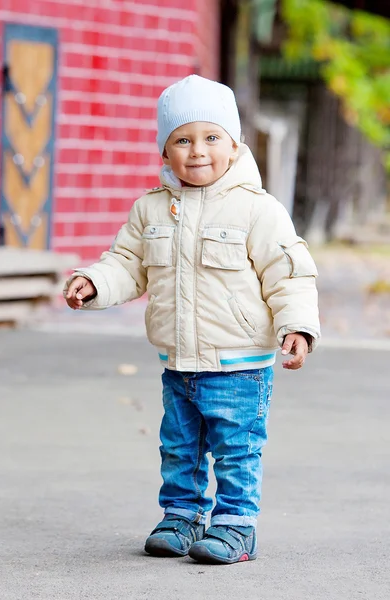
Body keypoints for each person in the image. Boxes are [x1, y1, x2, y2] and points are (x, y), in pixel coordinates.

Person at [64, 75, 320, 565]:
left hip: (239, 364)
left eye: (211, 138)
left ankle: (235, 526)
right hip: (178, 362)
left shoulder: (257, 210)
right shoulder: (151, 209)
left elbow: (289, 275)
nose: (197, 151)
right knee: (179, 448)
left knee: (236, 450)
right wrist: (95, 282)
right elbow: (126, 263)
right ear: (165, 151)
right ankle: (181, 517)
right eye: (182, 139)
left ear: (235, 144)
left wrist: (298, 326)